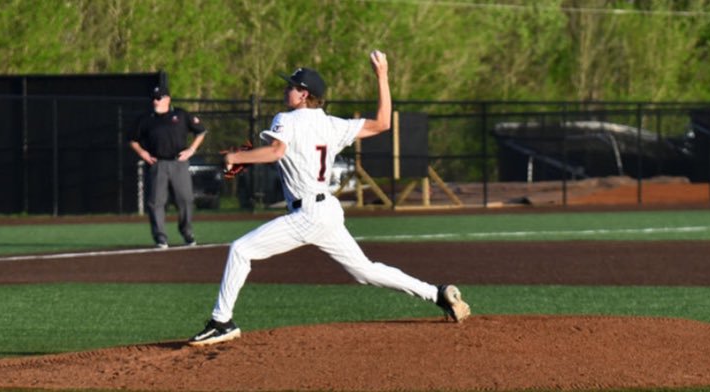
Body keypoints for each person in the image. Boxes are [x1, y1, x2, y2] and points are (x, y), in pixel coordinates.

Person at [187, 51, 471, 347]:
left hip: (308, 213)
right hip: (327, 211)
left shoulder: (286, 118)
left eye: (291, 86)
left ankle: (221, 321)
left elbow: (276, 152)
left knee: (241, 250)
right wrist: (382, 76)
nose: (286, 90)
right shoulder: (333, 125)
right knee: (365, 271)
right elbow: (383, 123)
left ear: (304, 94)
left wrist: (236, 156)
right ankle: (436, 293)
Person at [129, 84, 207, 248]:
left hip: (179, 162)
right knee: (156, 202)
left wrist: (191, 150)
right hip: (158, 164)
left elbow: (201, 131)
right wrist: (142, 153)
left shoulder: (180, 114)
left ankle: (187, 232)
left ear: (167, 99)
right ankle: (160, 237)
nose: (155, 101)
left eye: (159, 98)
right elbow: (133, 140)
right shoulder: (146, 119)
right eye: (153, 98)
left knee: (185, 199)